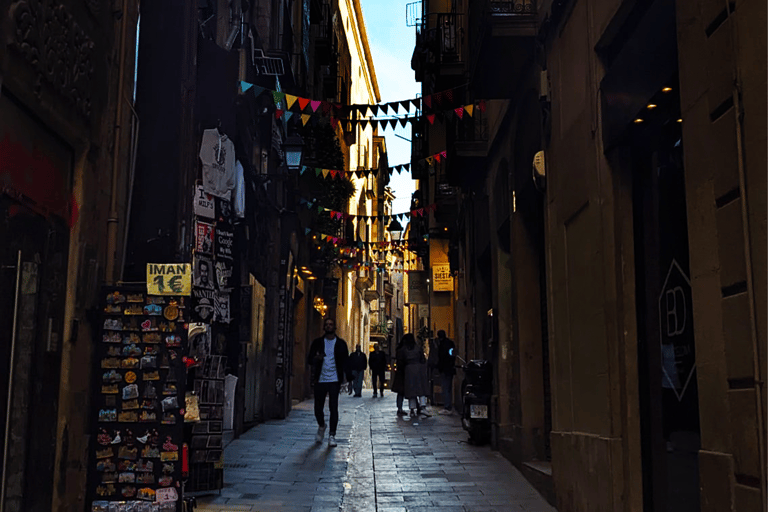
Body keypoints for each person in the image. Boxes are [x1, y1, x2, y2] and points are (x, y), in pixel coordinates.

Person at [307, 317, 349, 447]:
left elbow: (346, 362)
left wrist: (346, 380)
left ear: (334, 327)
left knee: (333, 408)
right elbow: (309, 359)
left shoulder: (341, 344)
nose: (329, 326)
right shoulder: (317, 343)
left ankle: (332, 435)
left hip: (334, 380)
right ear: (324, 327)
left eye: (331, 324)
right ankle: (322, 425)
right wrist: (317, 358)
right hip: (320, 379)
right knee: (317, 408)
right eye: (327, 324)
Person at [402, 333, 430, 418]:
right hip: (418, 369)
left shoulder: (405, 349)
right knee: (421, 389)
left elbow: (402, 360)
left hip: (409, 370)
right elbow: (422, 359)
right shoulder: (418, 348)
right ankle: (423, 407)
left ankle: (412, 409)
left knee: (411, 390)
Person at [436, 330, 456, 414]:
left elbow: (442, 357)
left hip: (445, 369)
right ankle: (448, 405)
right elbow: (452, 355)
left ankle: (447, 407)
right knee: (448, 388)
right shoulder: (450, 343)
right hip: (450, 368)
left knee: (445, 388)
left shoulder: (441, 345)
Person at [392, 337, 407, 416]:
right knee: (409, 391)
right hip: (405, 373)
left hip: (400, 373)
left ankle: (399, 408)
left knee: (400, 392)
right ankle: (415, 407)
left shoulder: (399, 350)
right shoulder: (405, 351)